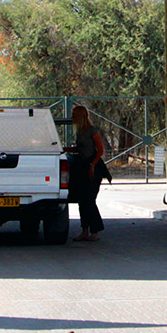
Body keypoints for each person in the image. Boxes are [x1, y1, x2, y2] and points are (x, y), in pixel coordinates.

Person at [69, 104, 106, 242]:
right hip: (81, 167)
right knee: (81, 200)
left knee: (89, 200)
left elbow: (100, 150)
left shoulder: (92, 130)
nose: (72, 118)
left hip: (93, 167)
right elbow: (79, 149)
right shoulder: (79, 131)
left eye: (74, 115)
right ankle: (84, 230)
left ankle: (95, 230)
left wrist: (92, 165)